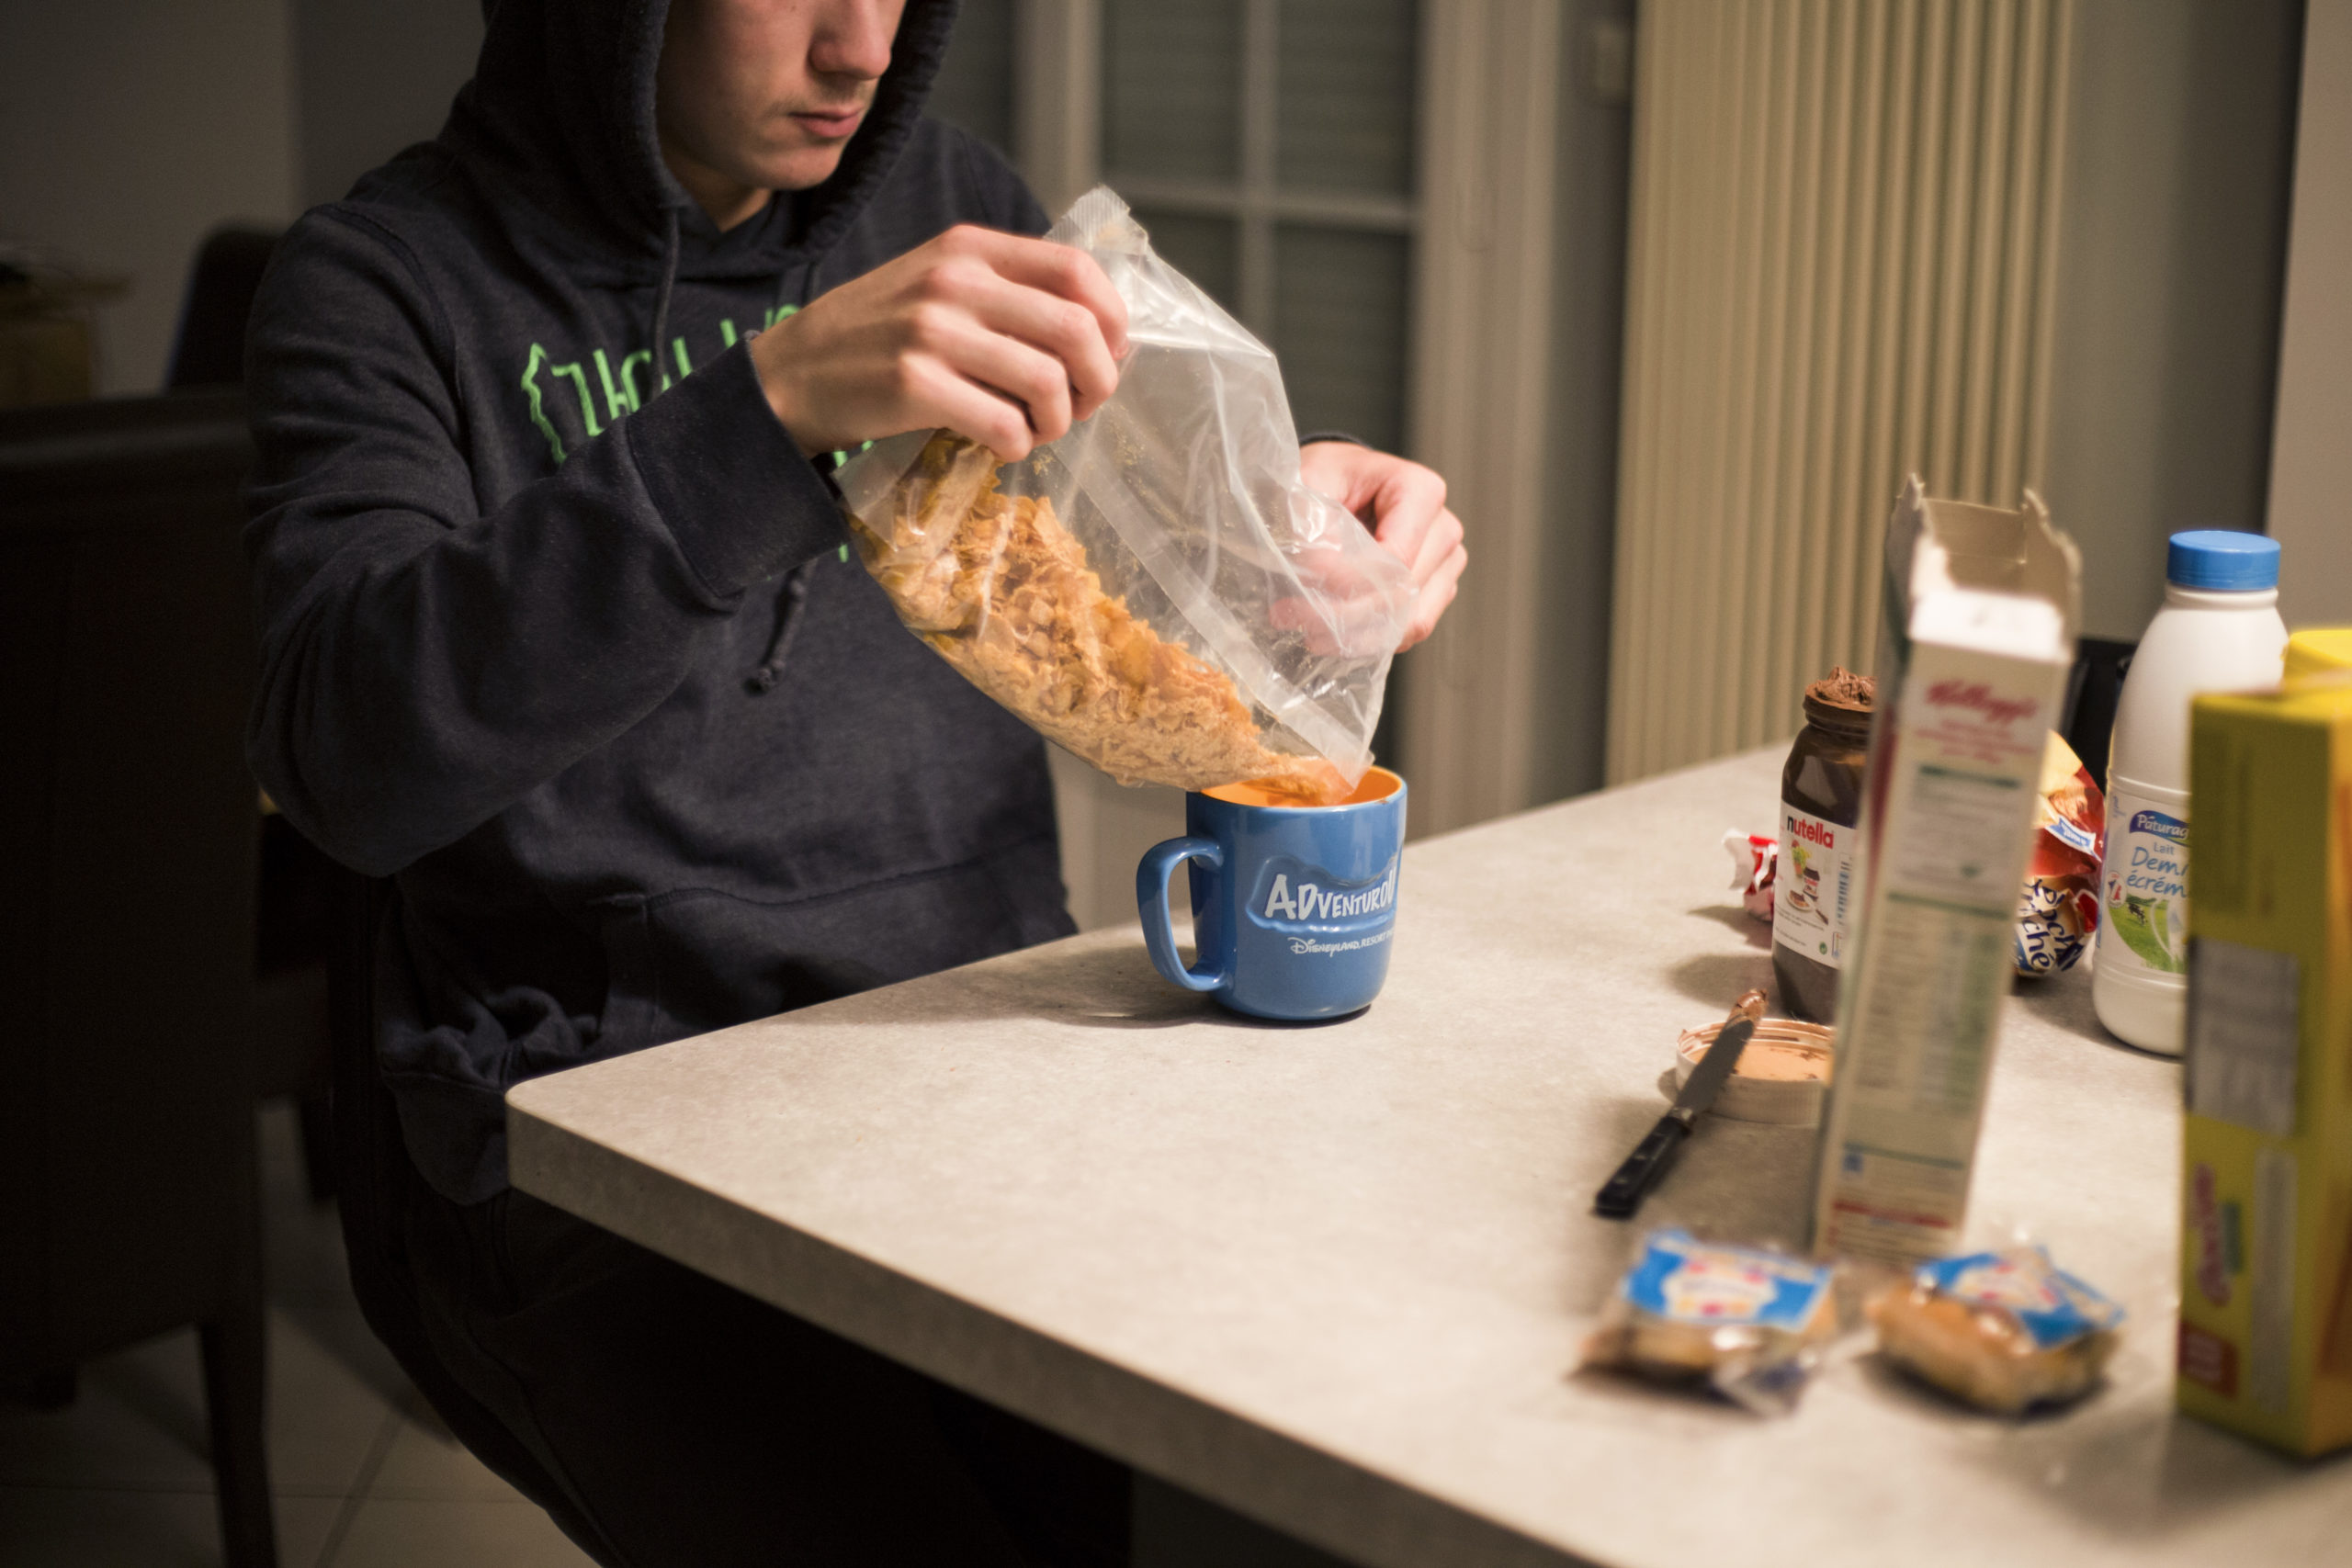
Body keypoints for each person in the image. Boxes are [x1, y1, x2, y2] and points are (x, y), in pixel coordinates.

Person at [244, 0, 1465, 1562]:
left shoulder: (954, 205)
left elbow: (1113, 558)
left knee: (1287, 1493)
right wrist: (757, 413)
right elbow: (345, 760)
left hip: (975, 1053)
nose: (861, 47)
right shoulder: (389, 281)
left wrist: (1284, 542)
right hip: (597, 1132)